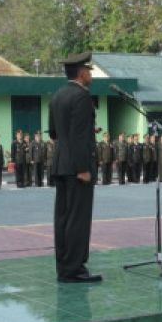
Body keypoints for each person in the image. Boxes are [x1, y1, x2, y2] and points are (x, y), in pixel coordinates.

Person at [49, 53, 101, 284]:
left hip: (60, 165)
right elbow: (79, 136)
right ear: (81, 73)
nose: (90, 75)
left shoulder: (58, 95)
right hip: (77, 169)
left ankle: (64, 266)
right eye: (88, 71)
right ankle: (75, 269)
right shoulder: (82, 97)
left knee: (63, 218)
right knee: (78, 219)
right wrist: (82, 167)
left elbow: (54, 133)